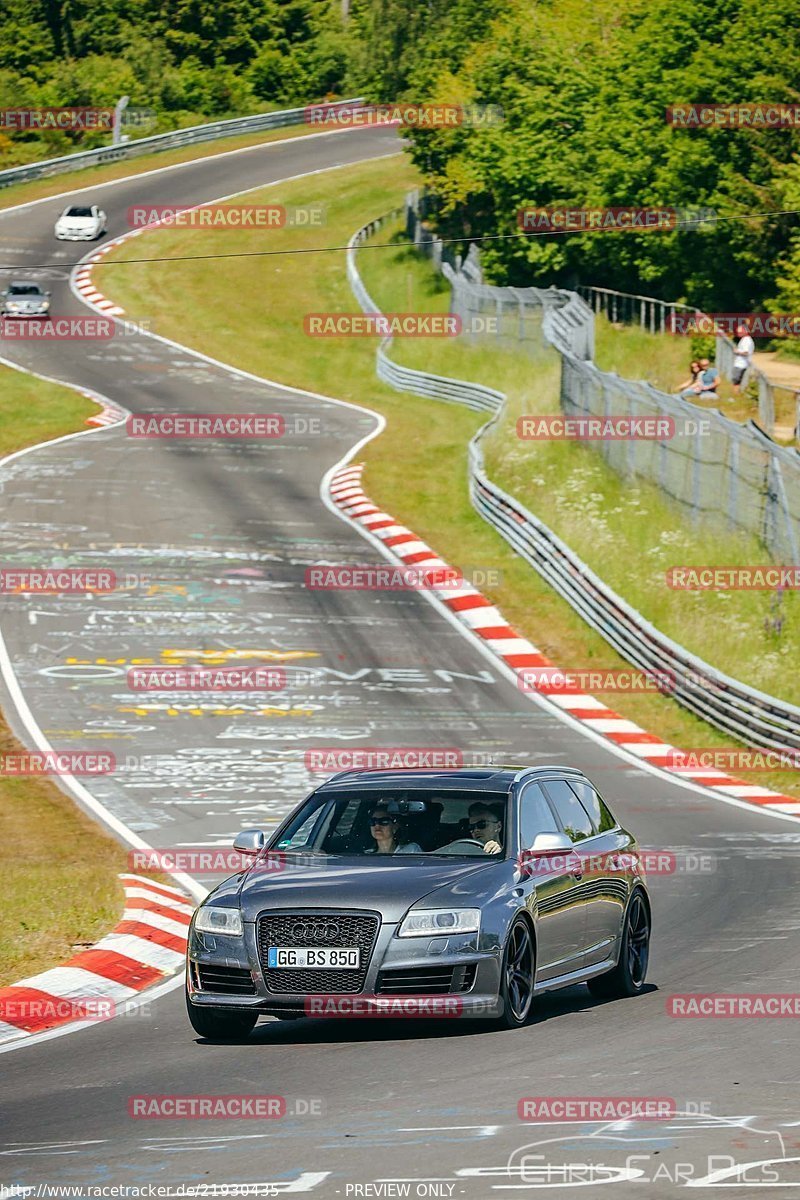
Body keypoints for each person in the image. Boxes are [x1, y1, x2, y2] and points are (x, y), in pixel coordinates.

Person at [732, 322, 755, 393]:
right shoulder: (743, 339)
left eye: (740, 332)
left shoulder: (746, 340)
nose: (738, 333)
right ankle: (736, 392)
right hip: (740, 363)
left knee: (736, 379)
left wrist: (737, 351)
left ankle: (736, 392)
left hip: (742, 363)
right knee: (736, 379)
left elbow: (746, 352)